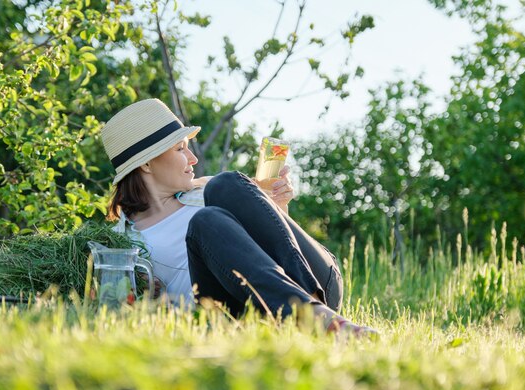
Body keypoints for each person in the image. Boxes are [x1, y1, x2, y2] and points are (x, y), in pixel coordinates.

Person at [102, 98, 375, 337]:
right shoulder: (119, 244)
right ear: (147, 163)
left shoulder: (213, 191)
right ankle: (311, 319)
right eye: (180, 149)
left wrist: (278, 207)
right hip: (236, 310)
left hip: (317, 285)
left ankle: (314, 312)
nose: (193, 158)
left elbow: (284, 249)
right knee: (204, 222)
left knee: (225, 184)